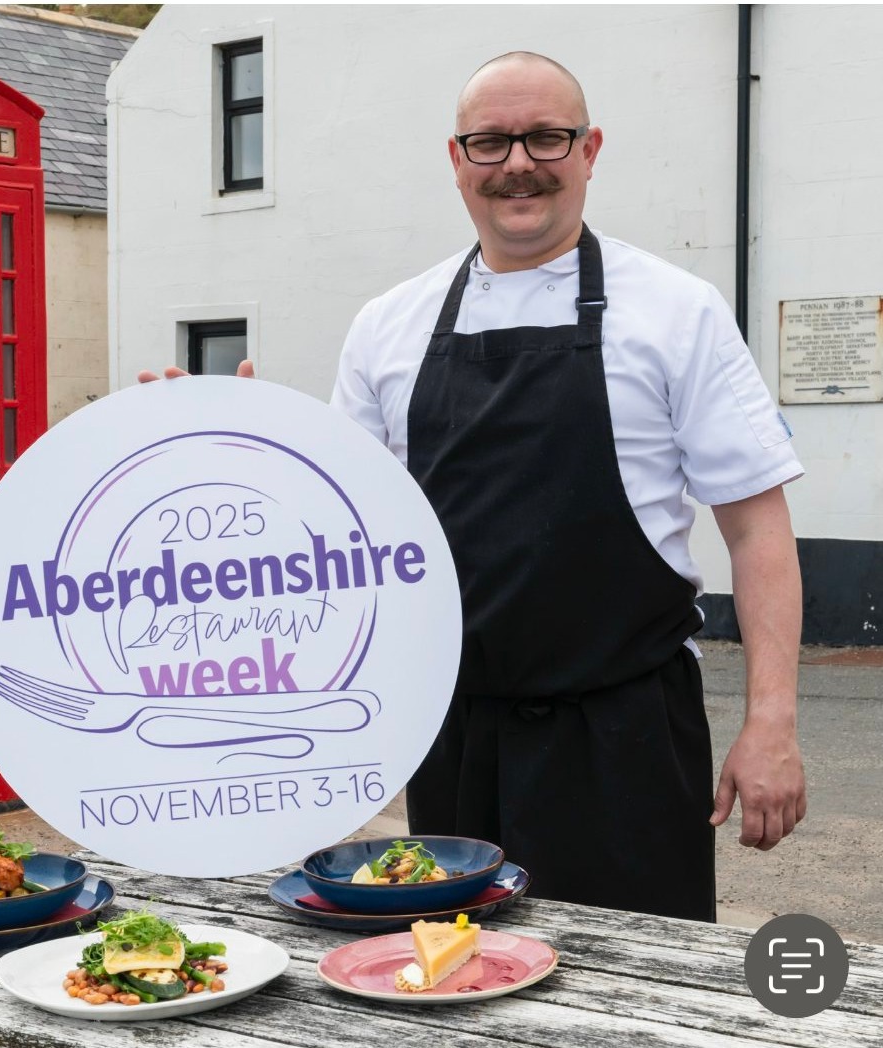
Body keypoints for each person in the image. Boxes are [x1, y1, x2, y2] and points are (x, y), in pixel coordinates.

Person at [327, 51, 806, 921]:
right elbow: (340, 536)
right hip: (454, 734)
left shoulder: (675, 309)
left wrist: (771, 722)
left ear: (588, 151)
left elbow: (757, 530)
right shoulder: (385, 327)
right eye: (491, 142)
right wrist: (208, 433)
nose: (518, 163)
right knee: (455, 976)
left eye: (546, 137)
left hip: (624, 739)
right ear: (457, 158)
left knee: (632, 996)